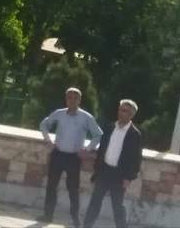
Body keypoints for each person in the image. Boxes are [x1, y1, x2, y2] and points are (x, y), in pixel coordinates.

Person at [38, 87, 103, 227]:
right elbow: (44, 124)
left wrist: (87, 149)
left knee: (73, 189)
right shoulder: (59, 113)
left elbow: (98, 134)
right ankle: (47, 215)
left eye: (75, 98)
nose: (72, 100)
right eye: (69, 97)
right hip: (58, 154)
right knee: (51, 186)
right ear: (66, 99)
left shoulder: (86, 117)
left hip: (73, 158)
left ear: (79, 100)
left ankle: (75, 219)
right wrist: (48, 140)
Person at [83, 99, 143, 228]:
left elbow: (136, 159)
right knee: (95, 201)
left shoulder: (134, 134)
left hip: (119, 175)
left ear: (131, 115)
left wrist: (129, 177)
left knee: (117, 206)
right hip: (104, 171)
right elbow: (102, 149)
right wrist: (97, 168)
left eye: (124, 111)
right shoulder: (109, 127)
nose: (120, 113)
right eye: (120, 109)